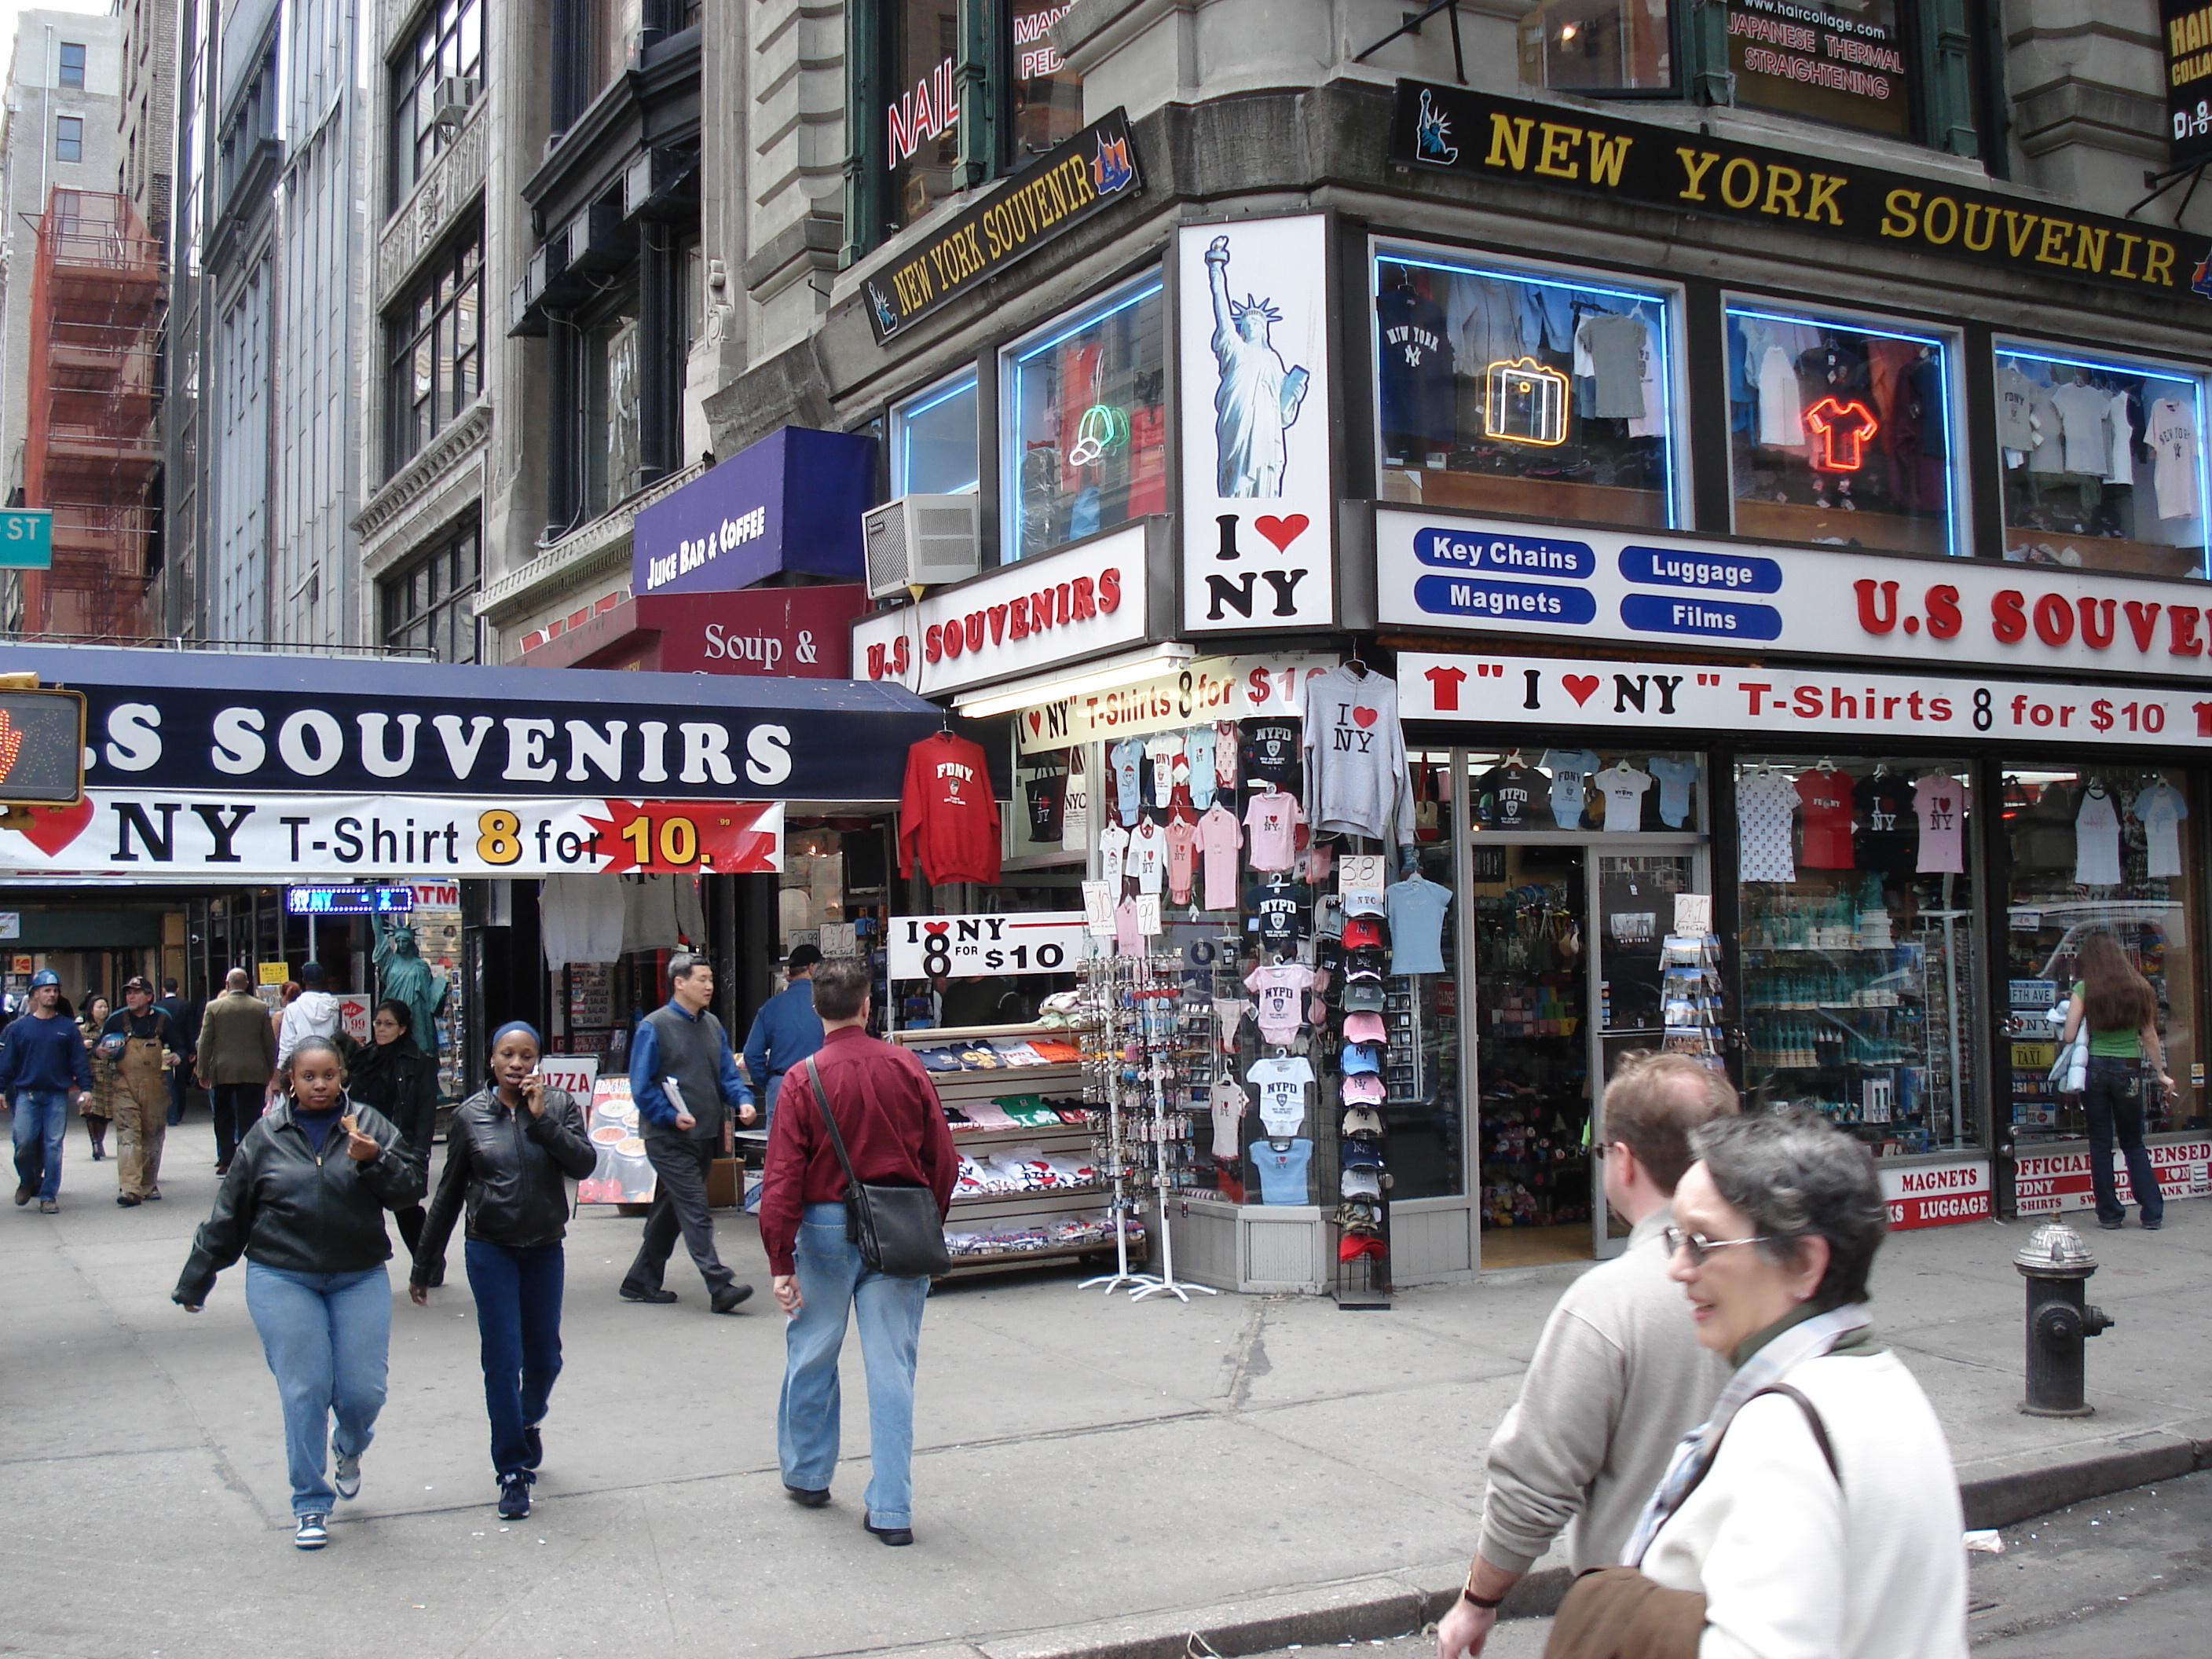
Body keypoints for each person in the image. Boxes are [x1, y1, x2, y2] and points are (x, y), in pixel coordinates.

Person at [1597, 1108, 1965, 1659]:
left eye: (1704, 1242)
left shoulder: (1784, 1435)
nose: (1678, 1267)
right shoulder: (1880, 1385)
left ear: (1803, 1263)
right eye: (1677, 1236)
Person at [1437, 1053, 1737, 1659]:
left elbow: (1535, 1481)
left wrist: (1478, 1600)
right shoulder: (1781, 1275)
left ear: (1623, 1161)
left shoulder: (1610, 1303)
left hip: (1646, 1616)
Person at [173, 1036, 427, 1551]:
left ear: (342, 1078)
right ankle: (310, 1502)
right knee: (305, 1390)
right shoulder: (265, 1137)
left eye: (329, 1075)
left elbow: (409, 1191)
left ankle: (349, 1446)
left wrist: (373, 1160)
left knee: (362, 1393)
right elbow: (230, 1215)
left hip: (358, 1275)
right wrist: (198, 1276)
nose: (319, 1085)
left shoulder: (370, 1126)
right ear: (290, 1079)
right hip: (282, 1274)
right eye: (308, 1077)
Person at [761, 957, 956, 1547]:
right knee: (892, 1366)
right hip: (897, 1222)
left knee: (813, 1350)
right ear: (868, 1006)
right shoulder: (906, 1066)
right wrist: (928, 1224)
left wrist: (778, 1259)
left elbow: (782, 1178)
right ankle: (892, 1507)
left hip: (822, 1226)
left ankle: (808, 1473)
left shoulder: (803, 1078)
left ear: (817, 1009)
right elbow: (942, 1162)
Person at [409, 1022, 595, 1521]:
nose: (517, 1064)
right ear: (492, 1060)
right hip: (490, 1248)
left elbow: (584, 1164)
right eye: (507, 1055)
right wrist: (425, 1263)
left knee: (545, 1358)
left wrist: (542, 1122)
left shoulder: (557, 1106)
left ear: (538, 1062)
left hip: (543, 1247)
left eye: (527, 1055)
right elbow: (447, 1194)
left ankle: (528, 1418)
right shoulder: (469, 1116)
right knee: (502, 1357)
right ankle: (512, 1470)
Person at [621, 952, 758, 1311]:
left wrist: (742, 1100)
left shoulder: (712, 1025)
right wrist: (668, 1115)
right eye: (701, 979)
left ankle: (641, 1279)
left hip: (703, 1134)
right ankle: (719, 1283)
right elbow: (641, 1085)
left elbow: (727, 1073)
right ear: (679, 982)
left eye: (711, 979)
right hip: (667, 1137)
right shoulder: (656, 1026)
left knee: (672, 1209)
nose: (709, 986)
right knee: (695, 1206)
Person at [2062, 931, 2170, 1230]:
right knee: (2133, 1142)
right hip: (2129, 1069)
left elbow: (2070, 1034)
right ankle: (2151, 1211)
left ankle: (2109, 1213)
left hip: (2095, 1069)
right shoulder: (2139, 988)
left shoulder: (2085, 989)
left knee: (2100, 1143)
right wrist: (2161, 1073)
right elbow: (2149, 1036)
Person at [349, 999, 442, 1262]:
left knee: (406, 1208)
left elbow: (425, 1112)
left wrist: (419, 1153)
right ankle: (371, 1259)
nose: (381, 1029)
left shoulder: (419, 1063)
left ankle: (429, 1261)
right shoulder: (366, 1057)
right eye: (378, 1023)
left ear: (402, 1029)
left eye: (388, 1024)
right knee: (363, 1205)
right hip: (367, 1142)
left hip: (400, 1144)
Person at [0, 969, 94, 1214]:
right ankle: (28, 1179)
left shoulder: (67, 1028)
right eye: (46, 990)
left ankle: (48, 1195)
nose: (51, 994)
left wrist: (86, 1089)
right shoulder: (19, 1029)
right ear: (35, 995)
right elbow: (7, 1063)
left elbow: (78, 1062)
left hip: (56, 1096)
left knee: (53, 1145)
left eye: (55, 990)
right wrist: (1, 1089)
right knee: (23, 1143)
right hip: (27, 1095)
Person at [102, 976, 185, 1207]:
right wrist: (101, 1051)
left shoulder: (162, 1020)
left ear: (149, 996)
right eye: (129, 992)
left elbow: (181, 1046)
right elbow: (99, 1049)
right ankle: (129, 1188)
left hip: (155, 1085)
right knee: (128, 1135)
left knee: (153, 1134)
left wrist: (177, 1056)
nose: (131, 996)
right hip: (124, 1085)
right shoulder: (116, 1020)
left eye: (136, 992)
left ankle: (148, 1184)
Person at [198, 968, 278, 1175]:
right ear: (247, 984)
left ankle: (226, 1160)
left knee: (224, 1116)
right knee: (250, 1116)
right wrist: (271, 1069)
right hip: (254, 1069)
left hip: (223, 1070)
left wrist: (202, 1071)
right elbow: (269, 1042)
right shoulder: (259, 1008)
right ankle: (249, 1158)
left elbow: (206, 1041)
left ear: (227, 985)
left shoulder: (214, 1007)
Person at [744, 943, 825, 1133]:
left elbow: (751, 1054)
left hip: (781, 1085)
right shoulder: (826, 1004)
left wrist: (769, 1083)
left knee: (781, 1154)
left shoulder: (771, 1007)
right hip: (821, 1085)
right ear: (813, 968)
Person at [157, 977, 201, 1128]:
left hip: (163, 1048)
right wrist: (192, 1050)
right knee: (180, 1082)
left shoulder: (158, 1006)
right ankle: (179, 1112)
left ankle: (169, 1113)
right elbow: (191, 1029)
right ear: (177, 989)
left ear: (163, 990)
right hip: (182, 1048)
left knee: (166, 1082)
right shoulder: (186, 1005)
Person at [276, 964, 340, 1067]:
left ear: (303, 980)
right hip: (328, 1061)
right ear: (323, 980)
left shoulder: (293, 1009)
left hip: (302, 1063)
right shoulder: (334, 1007)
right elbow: (340, 1037)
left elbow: (287, 1045)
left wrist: (282, 1068)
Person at [79, 995, 115, 1159]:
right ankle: (94, 1142)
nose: (103, 1010)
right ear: (91, 1010)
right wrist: (83, 1047)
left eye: (105, 1007)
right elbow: (73, 1052)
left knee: (105, 1112)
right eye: (99, 1007)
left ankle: (100, 1141)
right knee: (91, 1110)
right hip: (91, 1073)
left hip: (109, 1073)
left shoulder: (113, 1028)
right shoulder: (82, 1030)